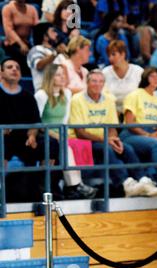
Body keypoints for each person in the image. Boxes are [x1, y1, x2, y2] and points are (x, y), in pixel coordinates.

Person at [69, 69, 157, 197]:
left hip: (105, 139)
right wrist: (106, 140)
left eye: (101, 81)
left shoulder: (108, 99)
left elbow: (112, 126)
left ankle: (143, 181)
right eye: (94, 81)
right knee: (107, 149)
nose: (97, 84)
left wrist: (113, 138)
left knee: (127, 148)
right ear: (87, 83)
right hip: (85, 141)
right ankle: (126, 183)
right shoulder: (77, 99)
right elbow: (80, 132)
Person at [34, 64, 98, 199]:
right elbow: (37, 121)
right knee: (65, 146)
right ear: (50, 77)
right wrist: (55, 135)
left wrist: (62, 134)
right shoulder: (41, 94)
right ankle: (75, 185)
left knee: (76, 143)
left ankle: (75, 186)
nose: (62, 77)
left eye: (63, 74)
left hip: (61, 132)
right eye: (58, 74)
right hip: (44, 132)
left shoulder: (67, 94)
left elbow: (64, 120)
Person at [0, 57, 60, 195]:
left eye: (17, 68)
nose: (14, 69)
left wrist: (32, 135)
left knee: (50, 143)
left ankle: (44, 187)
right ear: (1, 72)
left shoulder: (27, 96)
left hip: (25, 139)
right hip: (3, 138)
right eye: (9, 67)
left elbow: (35, 122)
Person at [102, 40, 143, 115]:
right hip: (112, 113)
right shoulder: (105, 73)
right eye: (109, 55)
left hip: (135, 113)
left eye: (113, 54)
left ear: (123, 54)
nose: (110, 58)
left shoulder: (138, 71)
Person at [1, 0, 39, 76]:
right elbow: (8, 29)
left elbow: (37, 28)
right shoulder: (7, 8)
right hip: (11, 43)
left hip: (27, 42)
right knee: (23, 59)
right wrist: (21, 44)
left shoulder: (32, 9)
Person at [27, 22, 67, 91]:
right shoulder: (36, 49)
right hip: (44, 93)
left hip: (61, 93)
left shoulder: (58, 52)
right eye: (52, 31)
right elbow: (39, 65)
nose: (56, 34)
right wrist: (55, 54)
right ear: (44, 36)